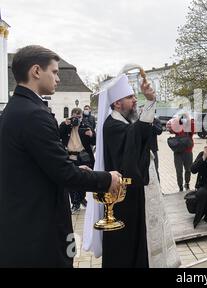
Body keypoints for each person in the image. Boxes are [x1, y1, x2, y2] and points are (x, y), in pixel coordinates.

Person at [0, 45, 122, 268]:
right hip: (39, 231)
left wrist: (75, 169)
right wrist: (107, 179)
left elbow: (42, 165)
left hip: (19, 224)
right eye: (54, 72)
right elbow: (64, 174)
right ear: (36, 71)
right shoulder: (35, 114)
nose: (57, 78)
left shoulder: (15, 108)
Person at [83, 73, 180, 268]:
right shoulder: (112, 125)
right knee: (124, 246)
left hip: (133, 196)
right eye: (130, 97)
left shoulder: (124, 122)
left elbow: (142, 133)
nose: (135, 100)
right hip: (121, 198)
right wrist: (151, 101)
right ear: (117, 103)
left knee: (136, 242)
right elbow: (136, 135)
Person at [60, 107, 96, 213]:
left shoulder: (85, 126)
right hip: (70, 157)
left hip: (83, 157)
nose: (77, 119)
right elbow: (58, 134)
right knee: (71, 182)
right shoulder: (66, 126)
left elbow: (94, 141)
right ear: (71, 115)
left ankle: (80, 198)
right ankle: (76, 203)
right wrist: (65, 124)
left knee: (83, 181)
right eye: (75, 117)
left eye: (79, 117)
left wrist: (92, 134)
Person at [167, 112, 195, 191]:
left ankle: (187, 183)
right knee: (179, 171)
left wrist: (188, 118)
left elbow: (192, 127)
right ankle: (180, 187)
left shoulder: (189, 127)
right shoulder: (177, 126)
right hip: (178, 152)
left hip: (188, 151)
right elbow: (171, 129)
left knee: (188, 169)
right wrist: (177, 119)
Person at [149, 117, 163, 182]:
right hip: (142, 151)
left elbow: (159, 131)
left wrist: (152, 124)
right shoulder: (140, 120)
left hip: (153, 150)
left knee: (155, 169)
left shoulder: (155, 121)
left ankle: (159, 190)